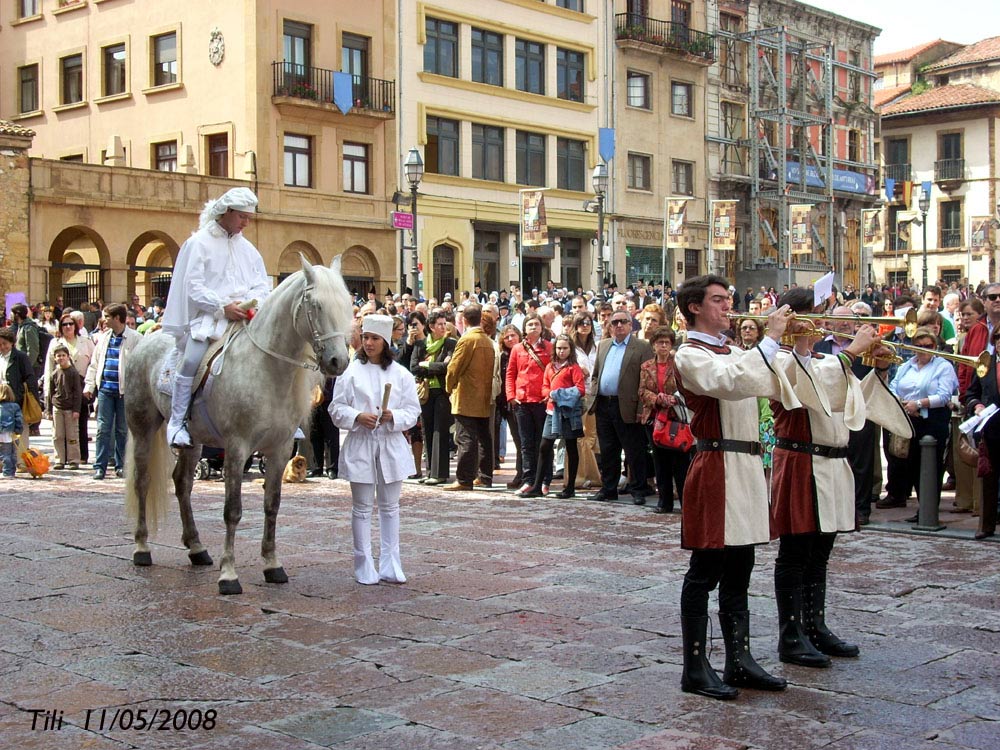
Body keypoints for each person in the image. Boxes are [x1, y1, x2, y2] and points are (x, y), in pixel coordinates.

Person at [672, 275, 800, 700]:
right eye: (718, 301)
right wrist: (771, 339)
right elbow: (728, 382)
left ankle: (739, 659)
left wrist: (793, 346)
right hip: (716, 464)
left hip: (744, 465)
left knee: (741, 568)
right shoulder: (689, 353)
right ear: (694, 307)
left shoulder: (735, 350)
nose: (728, 307)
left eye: (728, 299)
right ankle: (695, 665)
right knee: (706, 568)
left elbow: (765, 380)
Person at [771, 290, 910, 669]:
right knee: (795, 552)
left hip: (831, 462)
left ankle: (815, 626)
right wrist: (851, 354)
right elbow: (811, 391)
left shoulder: (821, 359)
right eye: (815, 316)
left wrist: (878, 368)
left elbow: (847, 401)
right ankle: (791, 634)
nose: (821, 323)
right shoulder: (779, 358)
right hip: (801, 460)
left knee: (821, 552)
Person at [160, 187, 271, 448]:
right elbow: (193, 286)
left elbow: (261, 284)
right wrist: (223, 307)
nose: (246, 222)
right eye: (242, 216)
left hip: (245, 320)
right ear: (227, 212)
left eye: (249, 218)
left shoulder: (249, 249)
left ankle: (278, 421)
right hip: (209, 319)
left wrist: (252, 304)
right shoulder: (198, 243)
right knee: (191, 360)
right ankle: (177, 422)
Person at [330, 315, 421, 584]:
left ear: (385, 341)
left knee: (390, 507)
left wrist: (394, 416)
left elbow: (413, 411)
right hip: (361, 443)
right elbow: (336, 408)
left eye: (374, 339)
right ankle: (363, 564)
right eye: (366, 337)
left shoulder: (401, 374)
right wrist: (358, 416)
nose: (368, 343)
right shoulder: (350, 372)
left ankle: (391, 563)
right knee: (361, 507)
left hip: (390, 445)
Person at [884, 327, 958, 517]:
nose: (924, 349)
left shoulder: (943, 366)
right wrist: (904, 404)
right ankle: (922, 507)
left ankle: (929, 509)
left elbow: (943, 396)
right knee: (913, 465)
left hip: (933, 420)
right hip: (910, 419)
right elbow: (894, 387)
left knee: (932, 467)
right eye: (919, 346)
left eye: (929, 346)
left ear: (935, 345)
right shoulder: (906, 365)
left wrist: (918, 403)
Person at [587, 309, 653, 504]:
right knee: (608, 450)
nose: (618, 325)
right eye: (614, 322)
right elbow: (596, 374)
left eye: (623, 322)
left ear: (630, 325)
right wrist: (594, 394)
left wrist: (642, 409)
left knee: (634, 451)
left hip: (628, 406)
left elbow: (646, 380)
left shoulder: (642, 347)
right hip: (604, 405)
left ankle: (638, 489)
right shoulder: (604, 345)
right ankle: (608, 489)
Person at [518, 334, 586, 498]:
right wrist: (550, 394)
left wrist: (558, 394)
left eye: (565, 348)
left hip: (568, 413)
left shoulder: (573, 367)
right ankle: (537, 486)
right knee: (544, 446)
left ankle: (570, 488)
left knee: (571, 447)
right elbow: (544, 387)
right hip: (551, 411)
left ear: (570, 350)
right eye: (559, 348)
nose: (562, 351)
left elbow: (580, 389)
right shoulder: (550, 367)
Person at [84, 304, 141, 480]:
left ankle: (121, 465)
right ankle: (99, 466)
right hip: (106, 390)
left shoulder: (136, 338)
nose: (104, 320)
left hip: (125, 392)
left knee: (122, 430)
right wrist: (89, 386)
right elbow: (94, 363)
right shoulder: (103, 338)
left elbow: (141, 365)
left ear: (117, 318)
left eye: (107, 317)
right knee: (103, 428)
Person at [444, 303, 497, 491]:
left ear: (464, 320)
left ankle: (465, 479)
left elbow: (453, 368)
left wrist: (449, 387)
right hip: (483, 395)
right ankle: (484, 476)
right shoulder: (487, 341)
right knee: (484, 437)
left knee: (465, 437)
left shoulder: (467, 340)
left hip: (466, 395)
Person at [638, 326, 690, 513]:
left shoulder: (677, 364)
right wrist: (657, 399)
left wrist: (673, 398)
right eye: (660, 342)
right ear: (653, 345)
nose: (663, 346)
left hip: (676, 418)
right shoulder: (646, 367)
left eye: (667, 343)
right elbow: (642, 391)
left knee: (680, 464)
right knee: (660, 463)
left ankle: (686, 503)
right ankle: (664, 502)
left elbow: (687, 387)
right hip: (654, 419)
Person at [506, 314, 553, 494]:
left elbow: (553, 373)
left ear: (541, 327)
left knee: (543, 443)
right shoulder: (517, 349)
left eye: (536, 324)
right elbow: (511, 374)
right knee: (526, 444)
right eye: (530, 324)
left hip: (541, 401)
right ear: (524, 328)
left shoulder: (549, 347)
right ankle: (528, 479)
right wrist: (511, 396)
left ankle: (544, 480)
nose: (533, 327)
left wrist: (548, 394)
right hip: (522, 402)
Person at [411, 309, 456, 485]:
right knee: (427, 430)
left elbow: (448, 367)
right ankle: (430, 471)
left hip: (442, 393)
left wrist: (427, 365)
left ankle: (440, 473)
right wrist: (436, 366)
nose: (443, 327)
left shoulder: (450, 344)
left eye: (445, 324)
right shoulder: (420, 345)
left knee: (440, 431)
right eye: (440, 324)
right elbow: (414, 367)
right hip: (425, 392)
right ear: (431, 327)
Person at [43, 314, 96, 466]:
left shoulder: (85, 342)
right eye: (64, 324)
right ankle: (62, 457)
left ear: (76, 326)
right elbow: (49, 369)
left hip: (82, 385)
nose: (68, 327)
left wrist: (91, 386)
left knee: (80, 423)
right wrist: (48, 393)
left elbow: (94, 362)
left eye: (70, 324)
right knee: (60, 430)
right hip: (61, 386)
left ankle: (80, 456)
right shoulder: (55, 343)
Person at [0, 327, 40, 469]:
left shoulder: (20, 357)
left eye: (5, 343)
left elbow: (30, 377)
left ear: (12, 343)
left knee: (20, 431)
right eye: (0, 344)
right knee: (3, 432)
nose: (3, 347)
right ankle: (4, 462)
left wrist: (31, 398)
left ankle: (21, 461)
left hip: (18, 399)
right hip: (2, 400)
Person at [46, 343, 83, 470]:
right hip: (58, 407)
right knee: (57, 435)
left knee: (72, 435)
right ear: (55, 358)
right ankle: (59, 459)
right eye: (58, 356)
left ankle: (73, 459)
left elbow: (78, 392)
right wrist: (49, 410)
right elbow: (50, 392)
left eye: (63, 355)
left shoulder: (73, 373)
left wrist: (76, 409)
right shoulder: (54, 373)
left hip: (70, 408)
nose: (61, 358)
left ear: (68, 356)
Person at [0, 383, 23, 479]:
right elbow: (19, 419)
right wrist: (19, 430)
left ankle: (7, 472)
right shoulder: (15, 406)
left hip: (2, 432)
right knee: (13, 453)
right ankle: (12, 471)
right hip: (13, 432)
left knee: (5, 454)